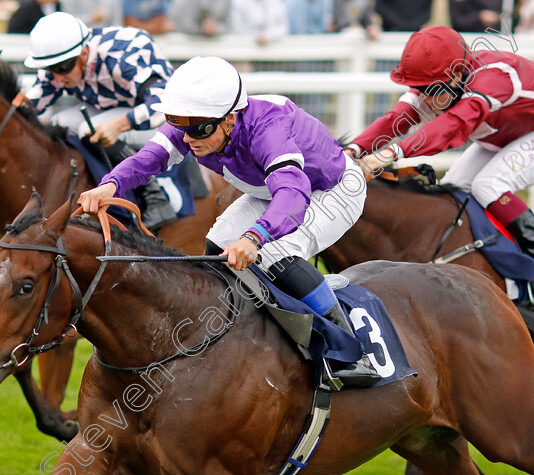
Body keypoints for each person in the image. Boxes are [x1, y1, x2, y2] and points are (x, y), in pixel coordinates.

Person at [78, 56, 382, 389]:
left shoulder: (268, 128)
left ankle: (353, 351)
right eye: (179, 125)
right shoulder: (196, 120)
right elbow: (150, 158)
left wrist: (255, 237)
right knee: (218, 245)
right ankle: (241, 336)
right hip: (271, 190)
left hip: (330, 191)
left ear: (231, 119)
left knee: (272, 254)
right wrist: (109, 184)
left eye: (199, 130)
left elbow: (294, 195)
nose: (189, 137)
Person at [347, 26, 534, 303]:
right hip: (504, 135)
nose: (424, 98)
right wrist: (355, 149)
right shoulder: (440, 80)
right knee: (453, 189)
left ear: (458, 76)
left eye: (431, 90)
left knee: (488, 186)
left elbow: (452, 127)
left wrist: (392, 153)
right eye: (419, 89)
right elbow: (396, 118)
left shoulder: (493, 78)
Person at [25, 12, 177, 230]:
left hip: (161, 116)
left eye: (61, 69)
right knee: (58, 121)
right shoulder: (64, 59)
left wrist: (118, 125)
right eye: (50, 69)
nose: (56, 77)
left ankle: (154, 197)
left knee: (89, 128)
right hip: (112, 109)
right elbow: (31, 104)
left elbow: (162, 106)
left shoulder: (123, 57)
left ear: (84, 54)